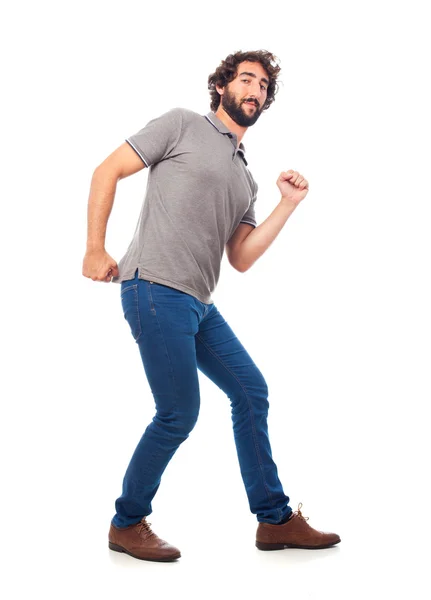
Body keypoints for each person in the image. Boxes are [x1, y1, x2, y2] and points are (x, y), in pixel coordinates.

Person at [82, 50, 341, 562]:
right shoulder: (181, 126)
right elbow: (106, 170)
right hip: (153, 287)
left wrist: (286, 205)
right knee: (179, 412)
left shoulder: (244, 178)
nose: (255, 89)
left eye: (264, 86)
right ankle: (126, 522)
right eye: (246, 79)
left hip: (197, 302)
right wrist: (94, 247)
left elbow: (240, 257)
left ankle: (274, 520)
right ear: (222, 86)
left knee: (251, 391)